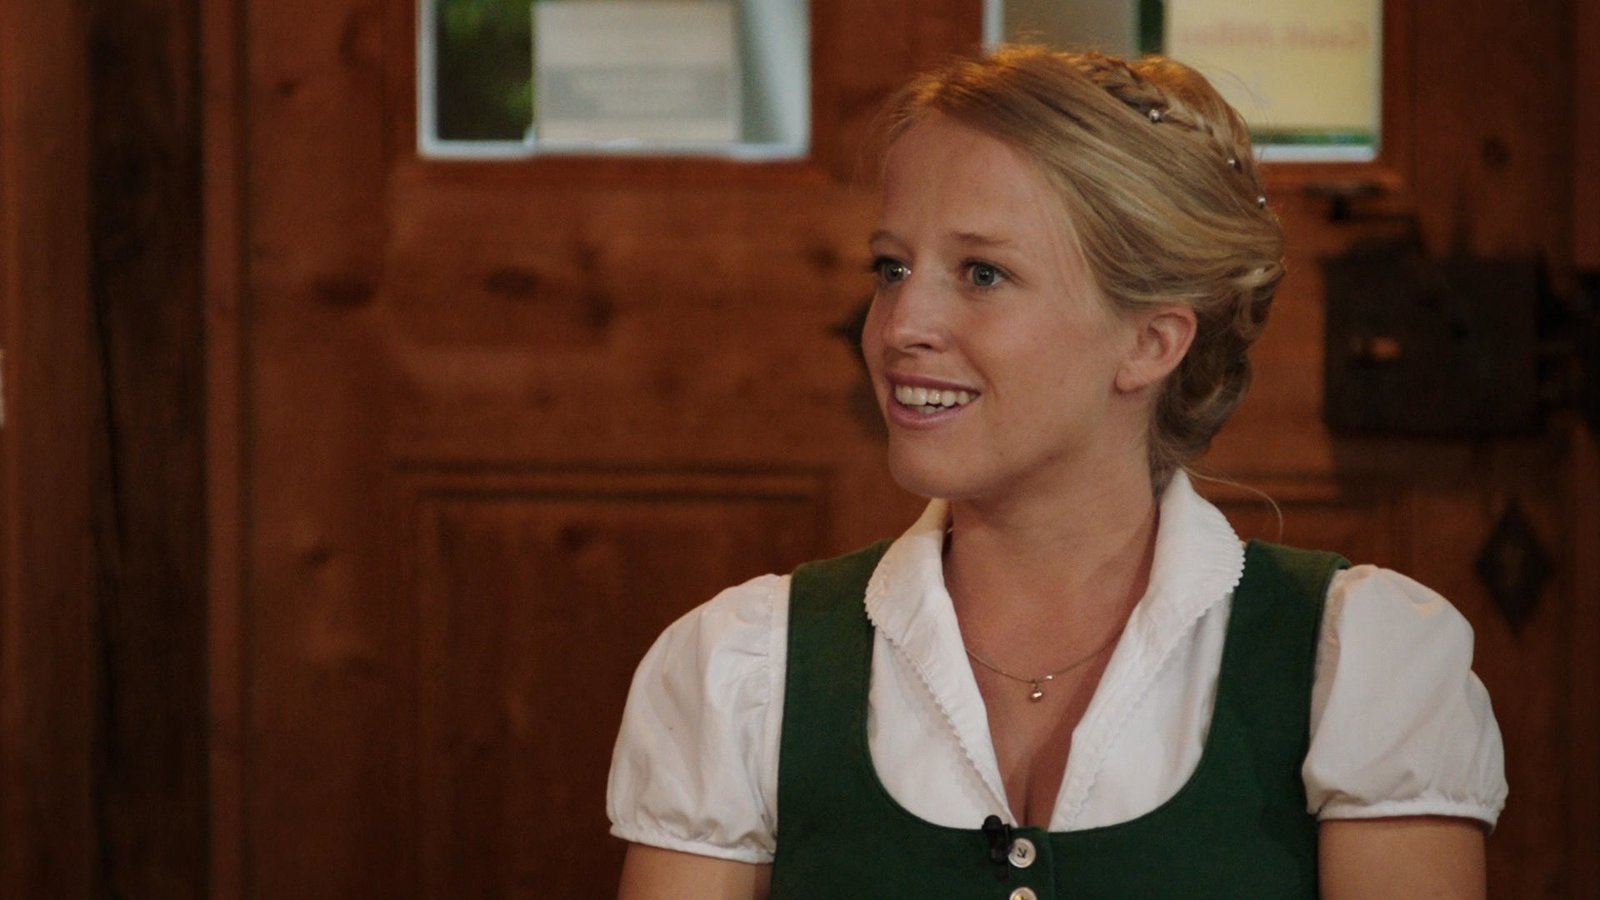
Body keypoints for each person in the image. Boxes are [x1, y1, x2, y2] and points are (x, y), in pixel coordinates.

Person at [606, 46, 1506, 899]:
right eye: (892, 267)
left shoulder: (1354, 663)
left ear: (1151, 341)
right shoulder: (748, 669)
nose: (900, 324)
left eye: (983, 273)